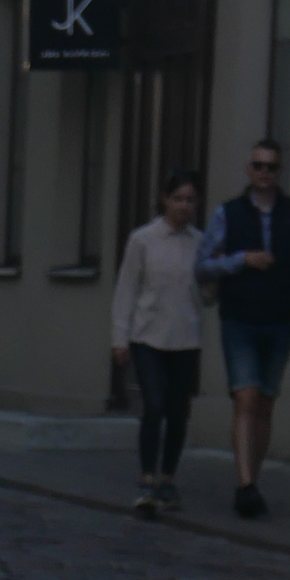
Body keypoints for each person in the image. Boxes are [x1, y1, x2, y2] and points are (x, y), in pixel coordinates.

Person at [198, 139, 290, 518]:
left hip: (280, 317)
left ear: (279, 172)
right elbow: (202, 264)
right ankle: (244, 484)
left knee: (266, 402)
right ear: (248, 170)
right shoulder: (228, 213)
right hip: (239, 316)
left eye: (271, 167)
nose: (264, 173)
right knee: (246, 398)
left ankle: (253, 477)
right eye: (258, 166)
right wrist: (240, 260)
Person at [110, 171, 206, 518]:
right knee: (153, 405)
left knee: (178, 412)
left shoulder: (199, 242)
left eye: (190, 200)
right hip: (148, 336)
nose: (183, 206)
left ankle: (168, 477)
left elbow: (206, 293)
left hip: (185, 338)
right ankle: (146, 478)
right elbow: (126, 290)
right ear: (165, 199)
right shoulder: (144, 240)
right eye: (178, 198)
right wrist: (119, 338)